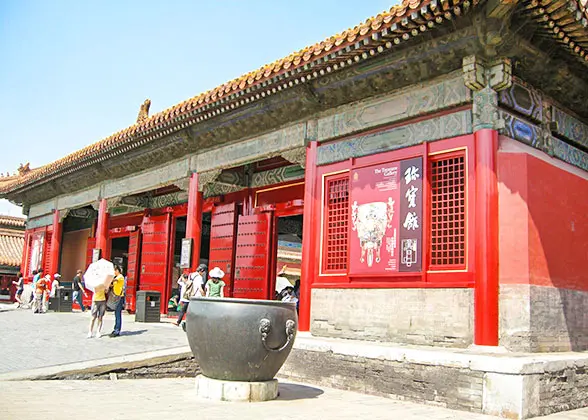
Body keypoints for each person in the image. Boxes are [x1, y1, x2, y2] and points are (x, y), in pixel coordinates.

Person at [108, 265, 125, 338]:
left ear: (117, 270)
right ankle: (115, 328)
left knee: (118, 314)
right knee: (116, 314)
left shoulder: (120, 277)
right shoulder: (116, 278)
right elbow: (112, 285)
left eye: (114, 271)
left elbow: (114, 280)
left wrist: (109, 279)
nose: (114, 272)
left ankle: (117, 330)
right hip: (115, 297)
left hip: (119, 298)